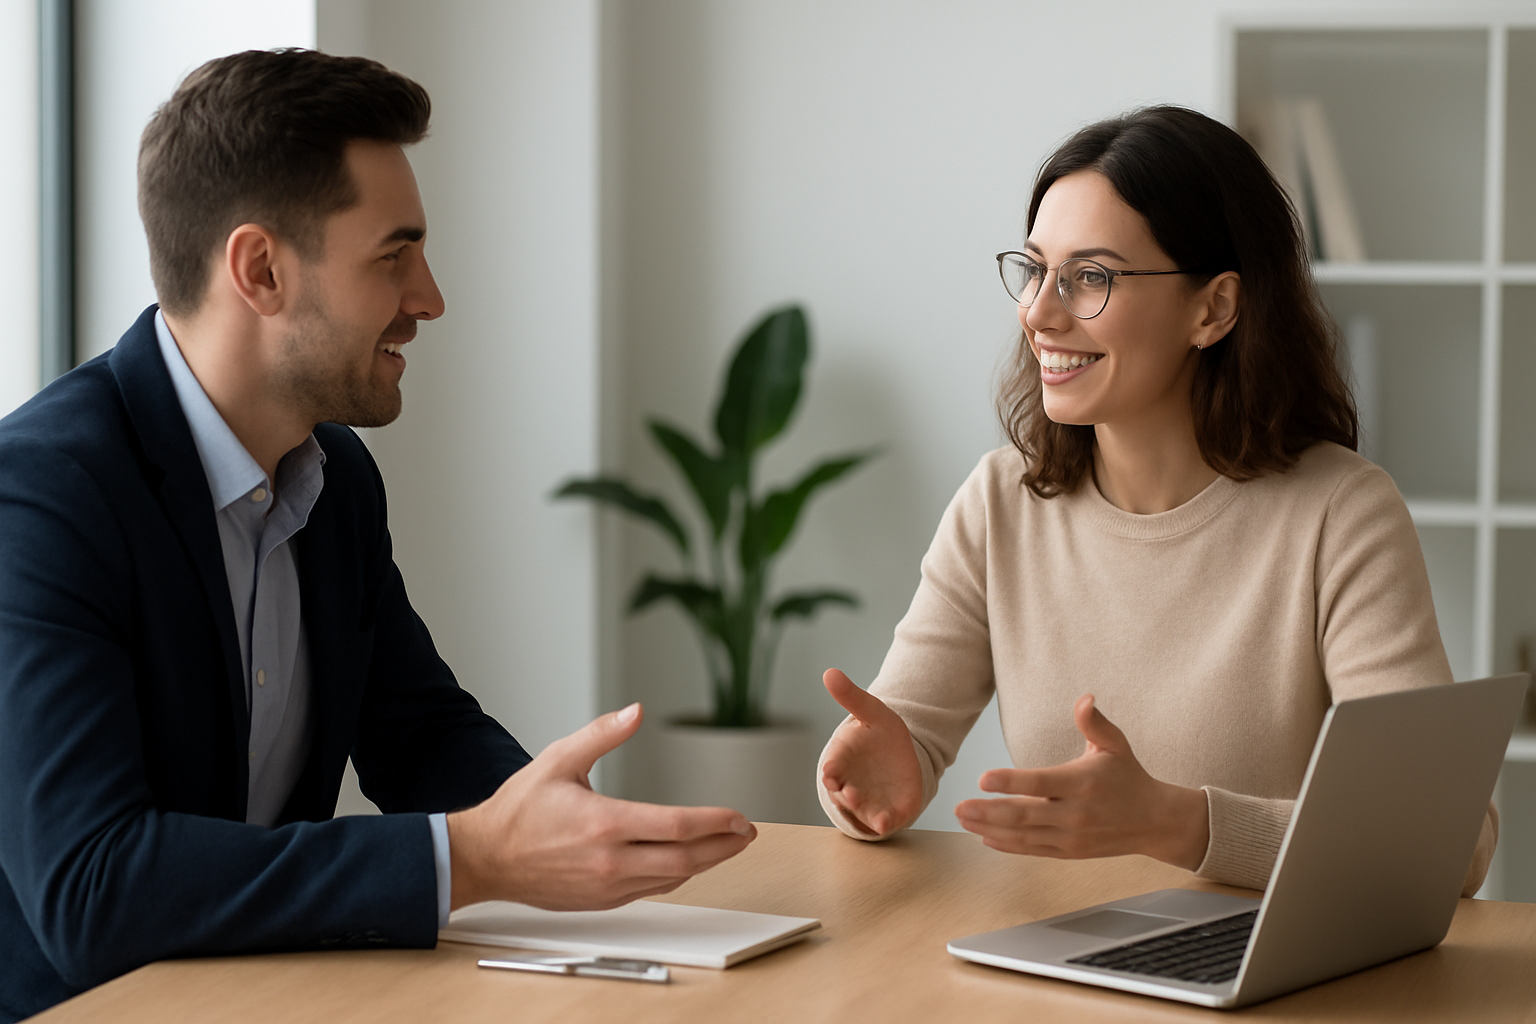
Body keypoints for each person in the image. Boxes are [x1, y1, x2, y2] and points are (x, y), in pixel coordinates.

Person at [0, 49, 754, 1023]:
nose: (429, 297)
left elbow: (417, 732)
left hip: (267, 997)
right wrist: (474, 856)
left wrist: (562, 821)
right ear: (260, 270)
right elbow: (92, 889)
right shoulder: (42, 497)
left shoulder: (334, 476)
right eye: (394, 256)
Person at [815, 105, 1496, 894]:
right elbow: (897, 740)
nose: (1038, 313)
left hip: (1265, 963)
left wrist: (1176, 824)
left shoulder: (1341, 515)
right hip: (1049, 952)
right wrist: (876, 777)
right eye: (1034, 270)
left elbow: (1448, 844)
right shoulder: (999, 504)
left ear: (1214, 309)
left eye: (1090, 278)